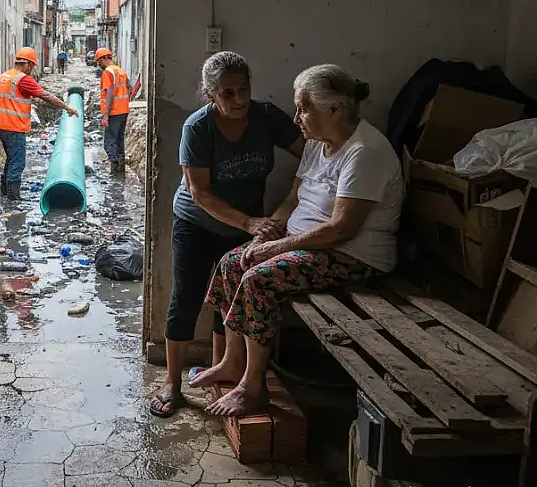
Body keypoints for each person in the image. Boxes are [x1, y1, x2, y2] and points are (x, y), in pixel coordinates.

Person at [191, 64, 404, 417]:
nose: (297, 117)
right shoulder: (318, 145)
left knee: (258, 279)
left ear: (335, 110)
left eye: (304, 108)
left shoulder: (365, 152)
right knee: (232, 262)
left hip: (351, 254)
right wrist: (268, 230)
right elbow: (293, 200)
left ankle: (253, 387)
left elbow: (340, 229)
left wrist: (275, 248)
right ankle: (232, 362)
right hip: (305, 241)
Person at [148, 51, 304, 418]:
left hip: (247, 223)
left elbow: (311, 153)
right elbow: (200, 194)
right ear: (210, 94)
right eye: (228, 93)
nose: (238, 100)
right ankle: (172, 383)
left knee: (231, 300)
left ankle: (222, 369)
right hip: (198, 222)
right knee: (186, 298)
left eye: (243, 89)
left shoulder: (266, 118)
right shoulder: (198, 128)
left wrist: (304, 192)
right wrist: (249, 224)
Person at [0, 47, 79, 200]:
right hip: (13, 126)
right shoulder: (22, 79)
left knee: (11, 158)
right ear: (28, 64)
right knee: (18, 162)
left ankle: (4, 192)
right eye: (31, 66)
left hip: (1, 124)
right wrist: (67, 107)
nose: (32, 70)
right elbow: (45, 95)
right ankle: (13, 198)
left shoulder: (5, 75)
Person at [97, 48, 140, 174]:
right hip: (123, 110)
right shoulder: (120, 70)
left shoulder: (108, 72)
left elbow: (109, 93)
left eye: (99, 61)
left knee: (109, 142)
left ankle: (115, 171)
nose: (99, 64)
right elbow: (130, 88)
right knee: (119, 140)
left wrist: (105, 115)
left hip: (114, 112)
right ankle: (120, 170)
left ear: (104, 59)